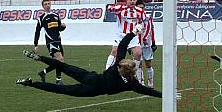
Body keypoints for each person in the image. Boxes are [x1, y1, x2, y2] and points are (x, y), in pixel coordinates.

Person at [17, 32, 161, 99]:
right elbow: (148, 91)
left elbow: (122, 45)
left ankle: (39, 57)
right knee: (61, 89)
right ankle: (31, 83)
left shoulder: (118, 65)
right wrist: (165, 97)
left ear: (122, 66)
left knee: (64, 66)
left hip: (90, 76)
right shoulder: (131, 83)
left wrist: (133, 33)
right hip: (91, 89)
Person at [105, 0, 146, 75]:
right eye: (130, 0)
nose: (132, 1)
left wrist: (140, 28)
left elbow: (141, 23)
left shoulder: (140, 11)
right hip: (121, 35)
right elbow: (108, 8)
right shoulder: (120, 8)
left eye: (134, 0)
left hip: (133, 36)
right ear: (126, 0)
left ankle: (136, 74)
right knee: (115, 52)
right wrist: (112, 8)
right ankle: (107, 72)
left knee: (138, 53)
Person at [33, 0, 66, 84]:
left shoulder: (56, 15)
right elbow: (37, 31)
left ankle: (43, 72)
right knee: (60, 59)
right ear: (43, 6)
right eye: (45, 4)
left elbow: (59, 28)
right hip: (50, 41)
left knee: (59, 61)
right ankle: (58, 80)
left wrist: (63, 27)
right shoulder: (41, 18)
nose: (47, 5)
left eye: (48, 3)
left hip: (58, 41)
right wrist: (36, 44)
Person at [135, 0, 157, 87]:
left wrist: (154, 42)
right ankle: (141, 84)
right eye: (139, 8)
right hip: (136, 44)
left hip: (146, 44)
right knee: (138, 65)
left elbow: (151, 29)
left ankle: (151, 83)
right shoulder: (133, 17)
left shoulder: (148, 17)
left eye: (142, 8)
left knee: (148, 64)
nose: (141, 9)